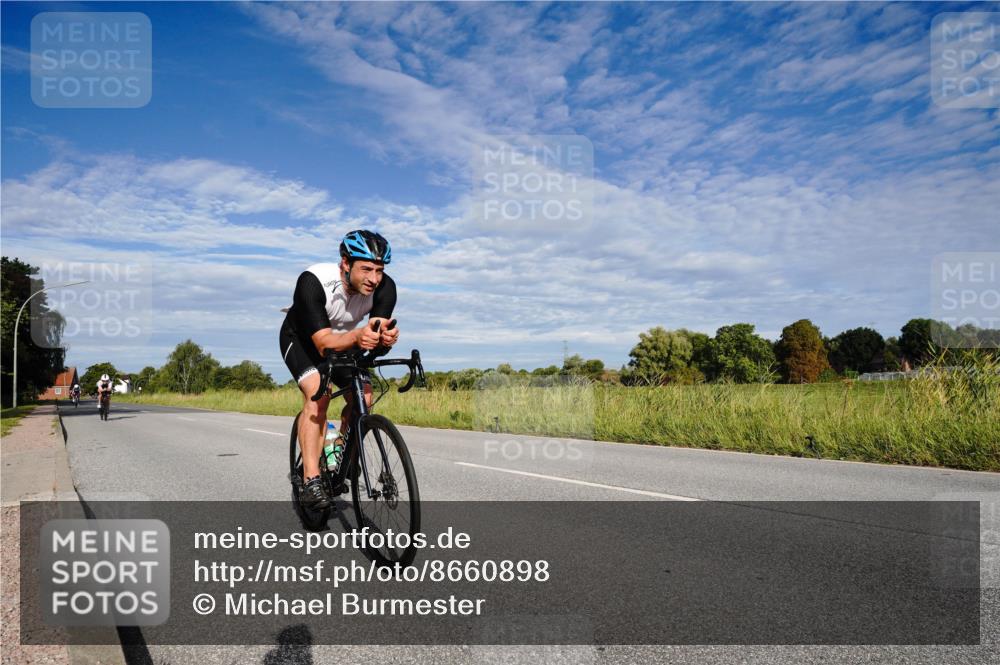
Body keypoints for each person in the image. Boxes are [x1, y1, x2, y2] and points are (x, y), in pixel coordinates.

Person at [280, 230, 399, 511]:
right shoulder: (313, 281)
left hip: (345, 343)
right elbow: (323, 344)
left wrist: (384, 341)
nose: (374, 278)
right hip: (304, 341)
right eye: (366, 269)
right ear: (345, 263)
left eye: (379, 270)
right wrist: (359, 337)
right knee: (317, 394)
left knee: (364, 400)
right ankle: (311, 479)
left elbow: (372, 336)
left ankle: (340, 452)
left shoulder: (385, 287)